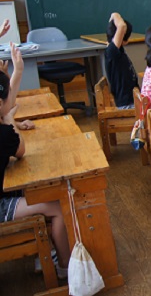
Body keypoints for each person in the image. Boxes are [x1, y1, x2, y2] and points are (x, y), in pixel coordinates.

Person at [0, 45, 70, 279]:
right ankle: (64, 267)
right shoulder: (4, 133)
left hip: (5, 191)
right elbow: (20, 150)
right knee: (57, 208)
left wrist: (16, 73)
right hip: (1, 204)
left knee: (31, 188)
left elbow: (6, 104)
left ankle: (46, 251)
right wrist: (11, 122)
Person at [105, 12, 138, 109]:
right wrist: (114, 15)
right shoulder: (112, 52)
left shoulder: (117, 51)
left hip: (131, 100)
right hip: (127, 104)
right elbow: (122, 26)